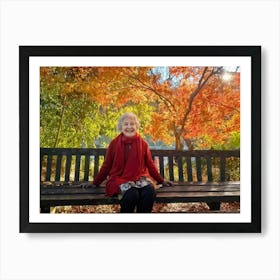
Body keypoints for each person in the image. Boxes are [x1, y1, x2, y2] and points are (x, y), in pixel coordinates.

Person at [82, 112, 172, 213]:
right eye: (126, 124)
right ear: (121, 127)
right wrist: (95, 183)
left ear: (136, 126)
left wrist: (161, 180)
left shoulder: (143, 144)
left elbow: (150, 165)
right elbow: (106, 166)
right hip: (119, 179)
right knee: (132, 194)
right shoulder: (114, 144)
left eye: (132, 124)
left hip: (139, 178)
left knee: (149, 191)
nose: (129, 127)